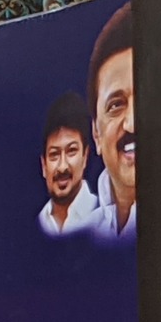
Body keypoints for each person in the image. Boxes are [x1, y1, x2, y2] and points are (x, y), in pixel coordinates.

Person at [85, 2, 134, 243]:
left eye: (148, 100)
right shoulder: (81, 235)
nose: (132, 124)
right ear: (96, 134)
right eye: (116, 105)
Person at [36, 91, 96, 237]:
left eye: (71, 151)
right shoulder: (35, 226)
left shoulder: (107, 220)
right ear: (43, 165)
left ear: (85, 156)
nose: (62, 166)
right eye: (54, 154)